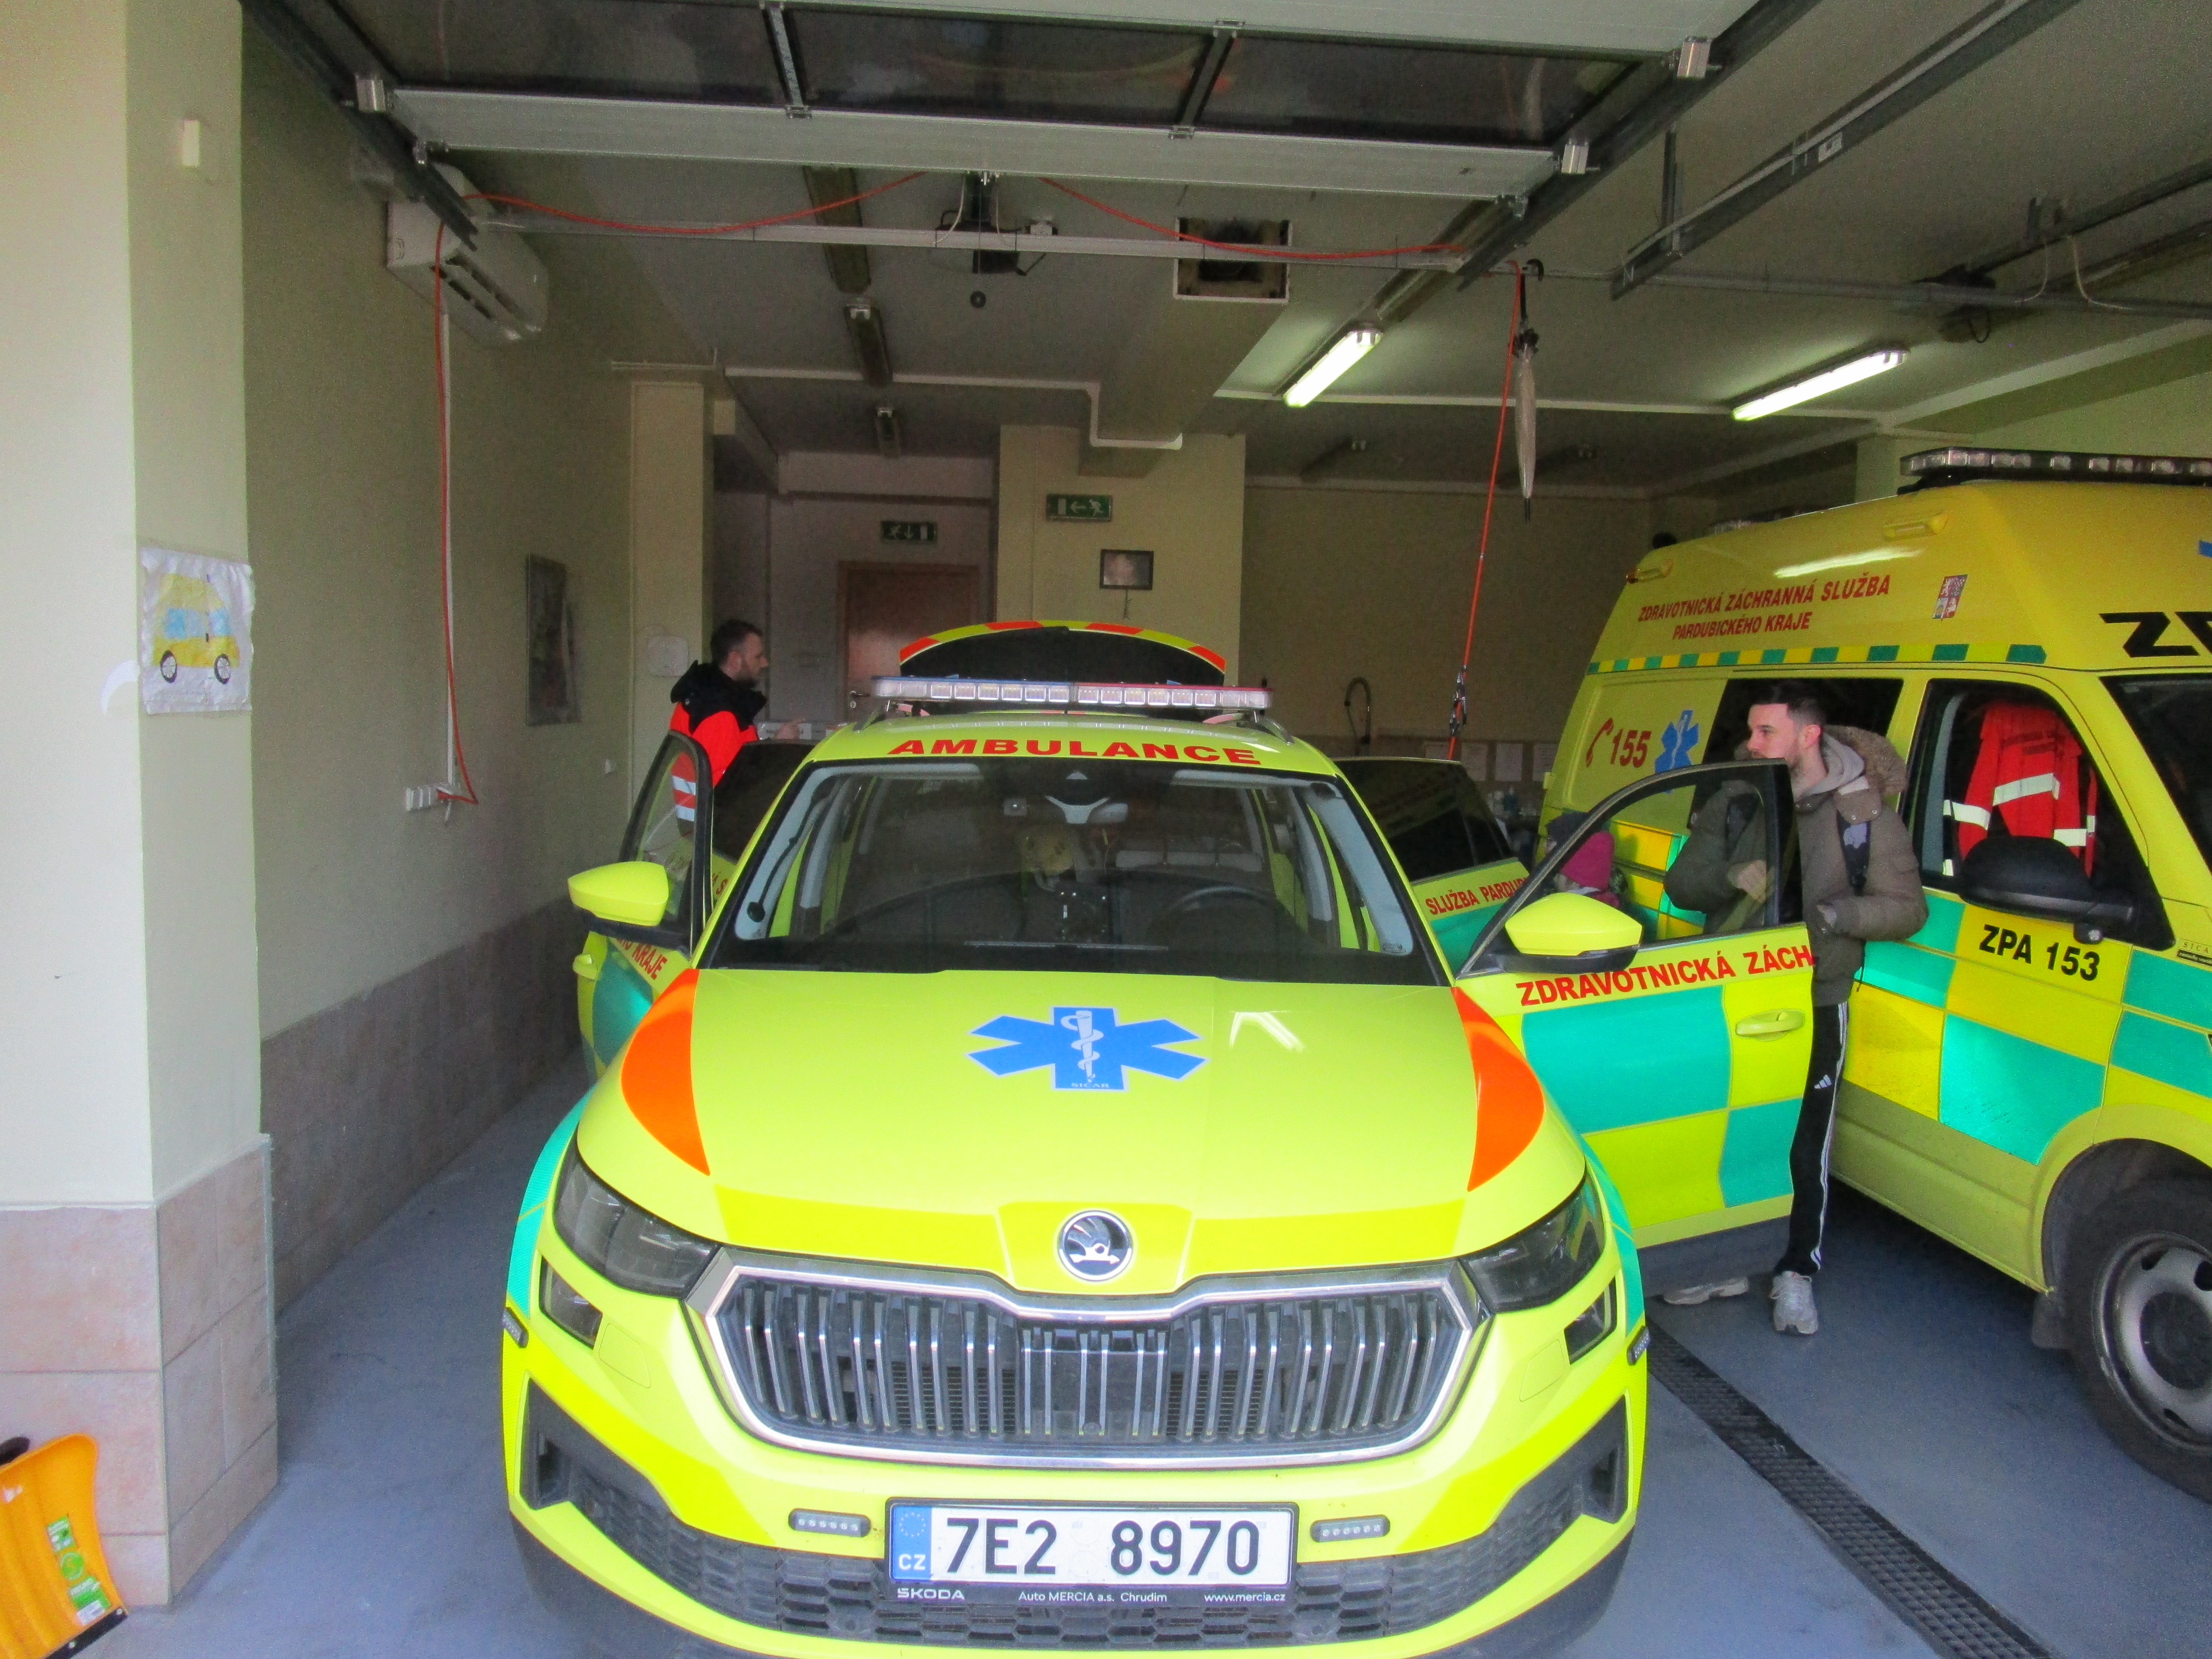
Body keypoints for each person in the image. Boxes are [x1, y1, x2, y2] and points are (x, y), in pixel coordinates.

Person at [1659, 684, 1926, 1335]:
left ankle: (1795, 1272)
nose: (1751, 744)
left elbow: (1908, 909)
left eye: (1766, 733)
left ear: (1808, 736)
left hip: (1813, 998)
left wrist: (1838, 916)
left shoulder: (1862, 810)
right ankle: (1722, 1262)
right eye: (1752, 731)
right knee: (1723, 1131)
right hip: (1735, 994)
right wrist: (1728, 877)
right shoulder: (1738, 796)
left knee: (1806, 1142)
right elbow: (1681, 884)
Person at [669, 619, 773, 787]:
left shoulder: (698, 696)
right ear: (735, 660)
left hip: (691, 804)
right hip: (712, 806)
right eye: (758, 657)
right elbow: (728, 791)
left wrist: (773, 745)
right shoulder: (720, 713)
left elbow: (738, 760)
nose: (765, 663)